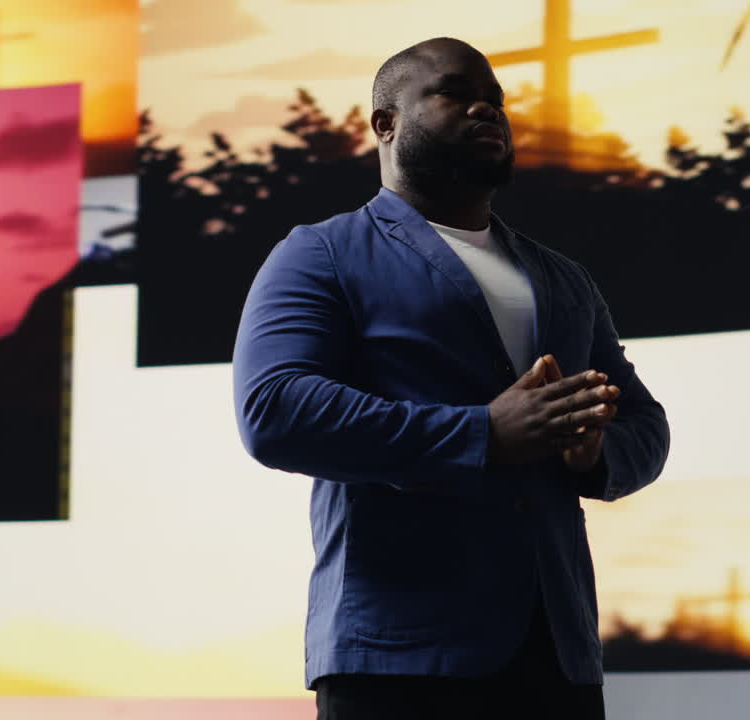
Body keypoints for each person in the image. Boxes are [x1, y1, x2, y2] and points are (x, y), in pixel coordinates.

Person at [232, 37, 670, 720]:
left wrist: (593, 452)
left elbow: (646, 425)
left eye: (495, 100)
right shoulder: (320, 253)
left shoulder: (563, 278)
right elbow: (276, 409)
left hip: (557, 655)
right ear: (385, 123)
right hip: (398, 656)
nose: (485, 109)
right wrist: (483, 434)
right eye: (454, 92)